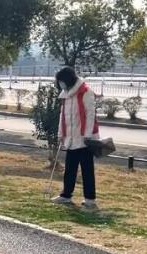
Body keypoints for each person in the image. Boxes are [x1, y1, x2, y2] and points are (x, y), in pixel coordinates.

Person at [50, 66, 99, 209]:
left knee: (87, 170)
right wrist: (61, 133)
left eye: (61, 81)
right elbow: (63, 116)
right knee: (70, 168)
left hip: (85, 139)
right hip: (71, 138)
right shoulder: (66, 95)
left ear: (68, 79)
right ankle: (66, 195)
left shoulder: (86, 92)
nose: (60, 84)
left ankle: (90, 199)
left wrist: (87, 135)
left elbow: (90, 115)